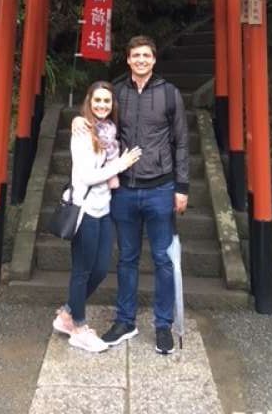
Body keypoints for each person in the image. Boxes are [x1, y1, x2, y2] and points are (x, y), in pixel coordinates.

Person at [73, 35, 189, 355]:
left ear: (153, 60)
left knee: (163, 259)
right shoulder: (118, 92)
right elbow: (98, 114)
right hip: (123, 188)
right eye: (135, 55)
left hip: (161, 187)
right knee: (127, 258)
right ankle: (125, 320)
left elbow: (181, 141)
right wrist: (79, 120)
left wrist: (182, 187)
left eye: (146, 56)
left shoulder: (169, 94)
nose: (140, 60)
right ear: (127, 59)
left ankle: (162, 324)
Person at [52, 81, 142, 353]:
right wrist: (121, 165)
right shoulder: (82, 133)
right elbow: (87, 175)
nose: (102, 105)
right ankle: (78, 327)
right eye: (97, 100)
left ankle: (67, 313)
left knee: (101, 268)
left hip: (104, 207)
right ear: (88, 101)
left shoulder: (109, 133)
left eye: (107, 101)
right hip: (86, 209)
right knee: (82, 270)